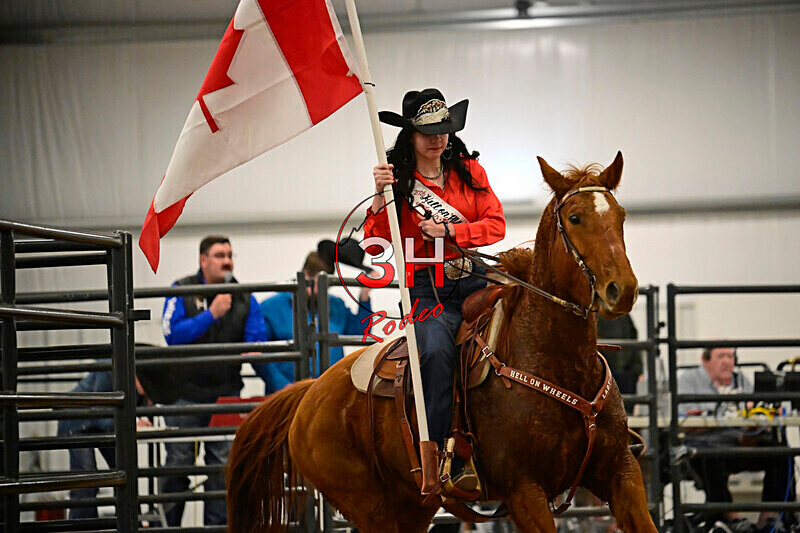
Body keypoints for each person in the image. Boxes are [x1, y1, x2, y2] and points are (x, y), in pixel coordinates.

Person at [367, 88, 505, 492]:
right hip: (426, 290)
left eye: (443, 129)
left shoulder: (469, 171)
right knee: (436, 350)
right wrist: (380, 194)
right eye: (428, 131)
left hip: (474, 279)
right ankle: (442, 453)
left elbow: (496, 226)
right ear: (410, 135)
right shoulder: (397, 181)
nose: (437, 138)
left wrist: (451, 230)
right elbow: (378, 238)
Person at [160, 235, 267, 526]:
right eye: (219, 255)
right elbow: (172, 335)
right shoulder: (181, 289)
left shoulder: (244, 295)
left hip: (225, 395)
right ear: (203, 260)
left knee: (221, 468)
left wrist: (253, 345)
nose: (227, 260)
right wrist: (211, 314)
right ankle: (167, 528)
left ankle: (218, 528)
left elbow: (257, 336)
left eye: (230, 255)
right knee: (177, 464)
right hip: (185, 394)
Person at [677, 347, 794, 533]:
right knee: (710, 457)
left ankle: (770, 519)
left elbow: (754, 413)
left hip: (739, 442)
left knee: (780, 453)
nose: (726, 361)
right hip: (704, 445)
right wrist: (721, 417)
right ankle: (733, 519)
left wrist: (754, 425)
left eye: (730, 356)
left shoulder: (741, 380)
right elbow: (684, 423)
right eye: (721, 356)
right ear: (706, 360)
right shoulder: (688, 380)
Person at [254, 240, 374, 394]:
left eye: (327, 285)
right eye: (318, 284)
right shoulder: (271, 308)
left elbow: (360, 332)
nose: (321, 291)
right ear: (305, 274)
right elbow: (259, 354)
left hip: (329, 394)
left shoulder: (335, 305)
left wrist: (364, 296)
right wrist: (283, 387)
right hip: (287, 398)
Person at [57, 371, 151, 519]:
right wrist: (131, 422)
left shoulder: (132, 375)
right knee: (87, 480)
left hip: (100, 424)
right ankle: (85, 528)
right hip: (76, 420)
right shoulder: (110, 369)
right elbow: (98, 409)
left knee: (124, 472)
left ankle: (131, 522)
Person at [597, 314, 643, 405]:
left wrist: (638, 368)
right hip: (613, 368)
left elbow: (633, 337)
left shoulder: (622, 314)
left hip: (620, 368)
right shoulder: (622, 312)